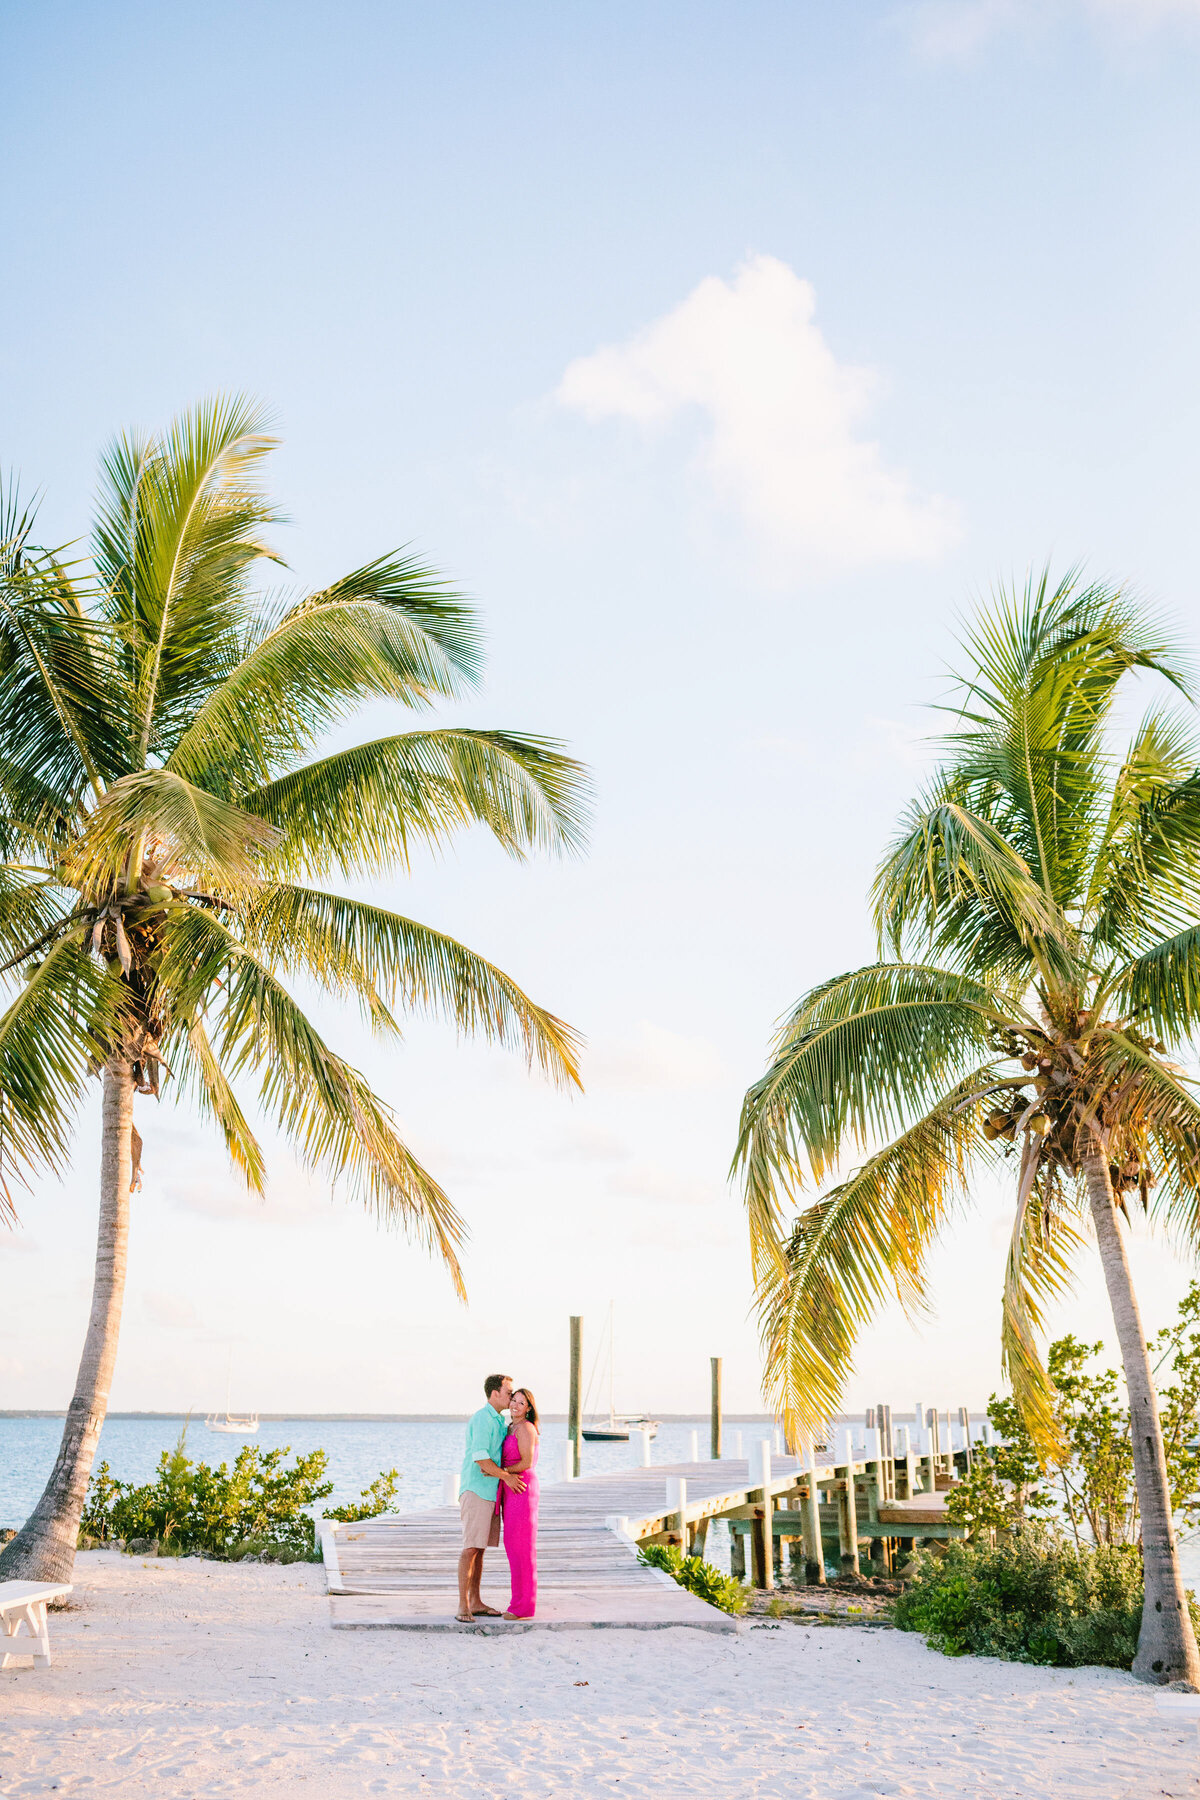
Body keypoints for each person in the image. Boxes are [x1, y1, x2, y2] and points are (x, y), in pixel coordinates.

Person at [457, 1372, 525, 1624]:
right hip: (476, 1490)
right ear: (495, 1393)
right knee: (470, 1548)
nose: (511, 1396)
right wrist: (507, 1477)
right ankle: (463, 1606)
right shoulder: (483, 1419)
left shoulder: (498, 1421)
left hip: (489, 1492)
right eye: (508, 1392)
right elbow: (481, 1459)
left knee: (480, 1549)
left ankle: (475, 1601)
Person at [500, 1386, 540, 1619]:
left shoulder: (525, 1428)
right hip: (511, 1486)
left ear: (528, 1408)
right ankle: (519, 1602)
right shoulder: (511, 1427)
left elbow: (526, 1462)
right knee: (513, 1547)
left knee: (522, 1548)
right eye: (513, 1400)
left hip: (521, 1487)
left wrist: (503, 1472)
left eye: (521, 1402)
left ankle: (523, 1607)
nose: (515, 1405)